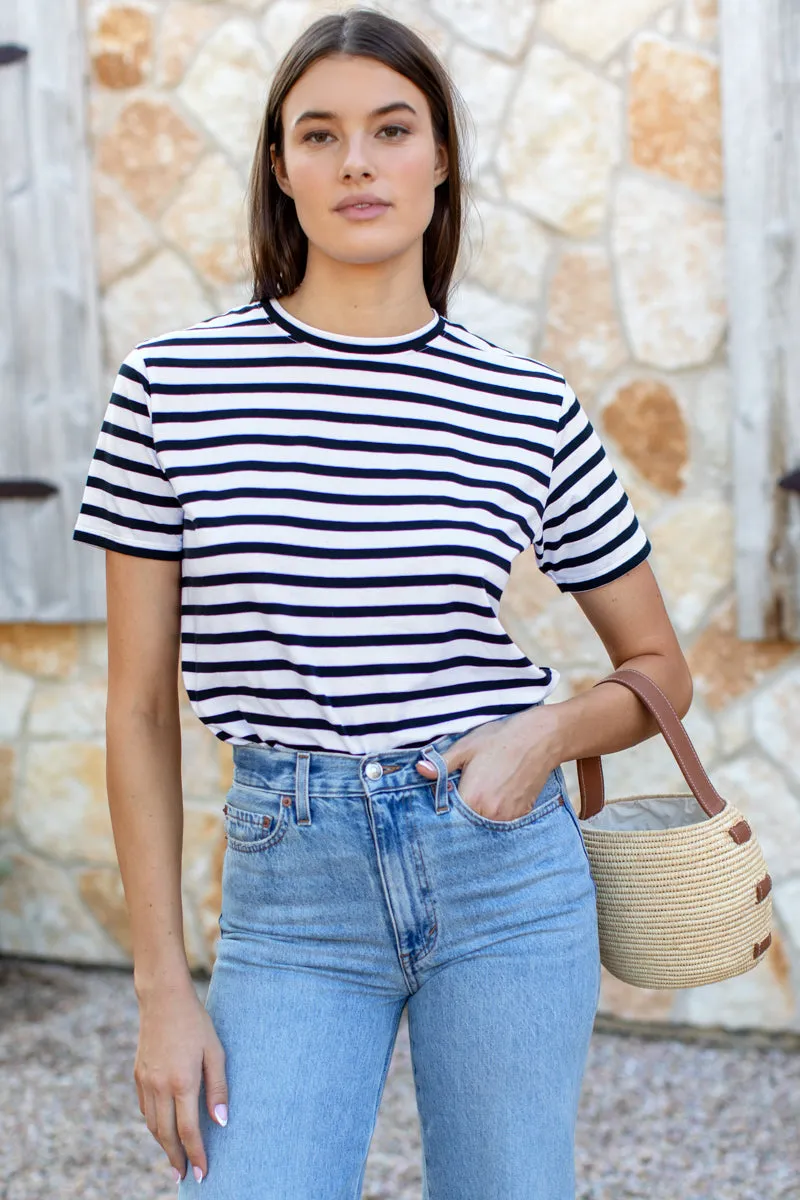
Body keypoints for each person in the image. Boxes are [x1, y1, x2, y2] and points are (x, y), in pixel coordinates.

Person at [73, 8, 692, 1198]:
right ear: (281, 167)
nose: (357, 162)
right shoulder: (169, 388)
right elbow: (140, 707)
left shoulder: (526, 403)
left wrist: (544, 732)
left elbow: (658, 668)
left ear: (440, 156)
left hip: (508, 877)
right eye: (320, 134)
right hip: (290, 891)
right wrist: (161, 988)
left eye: (390, 129)